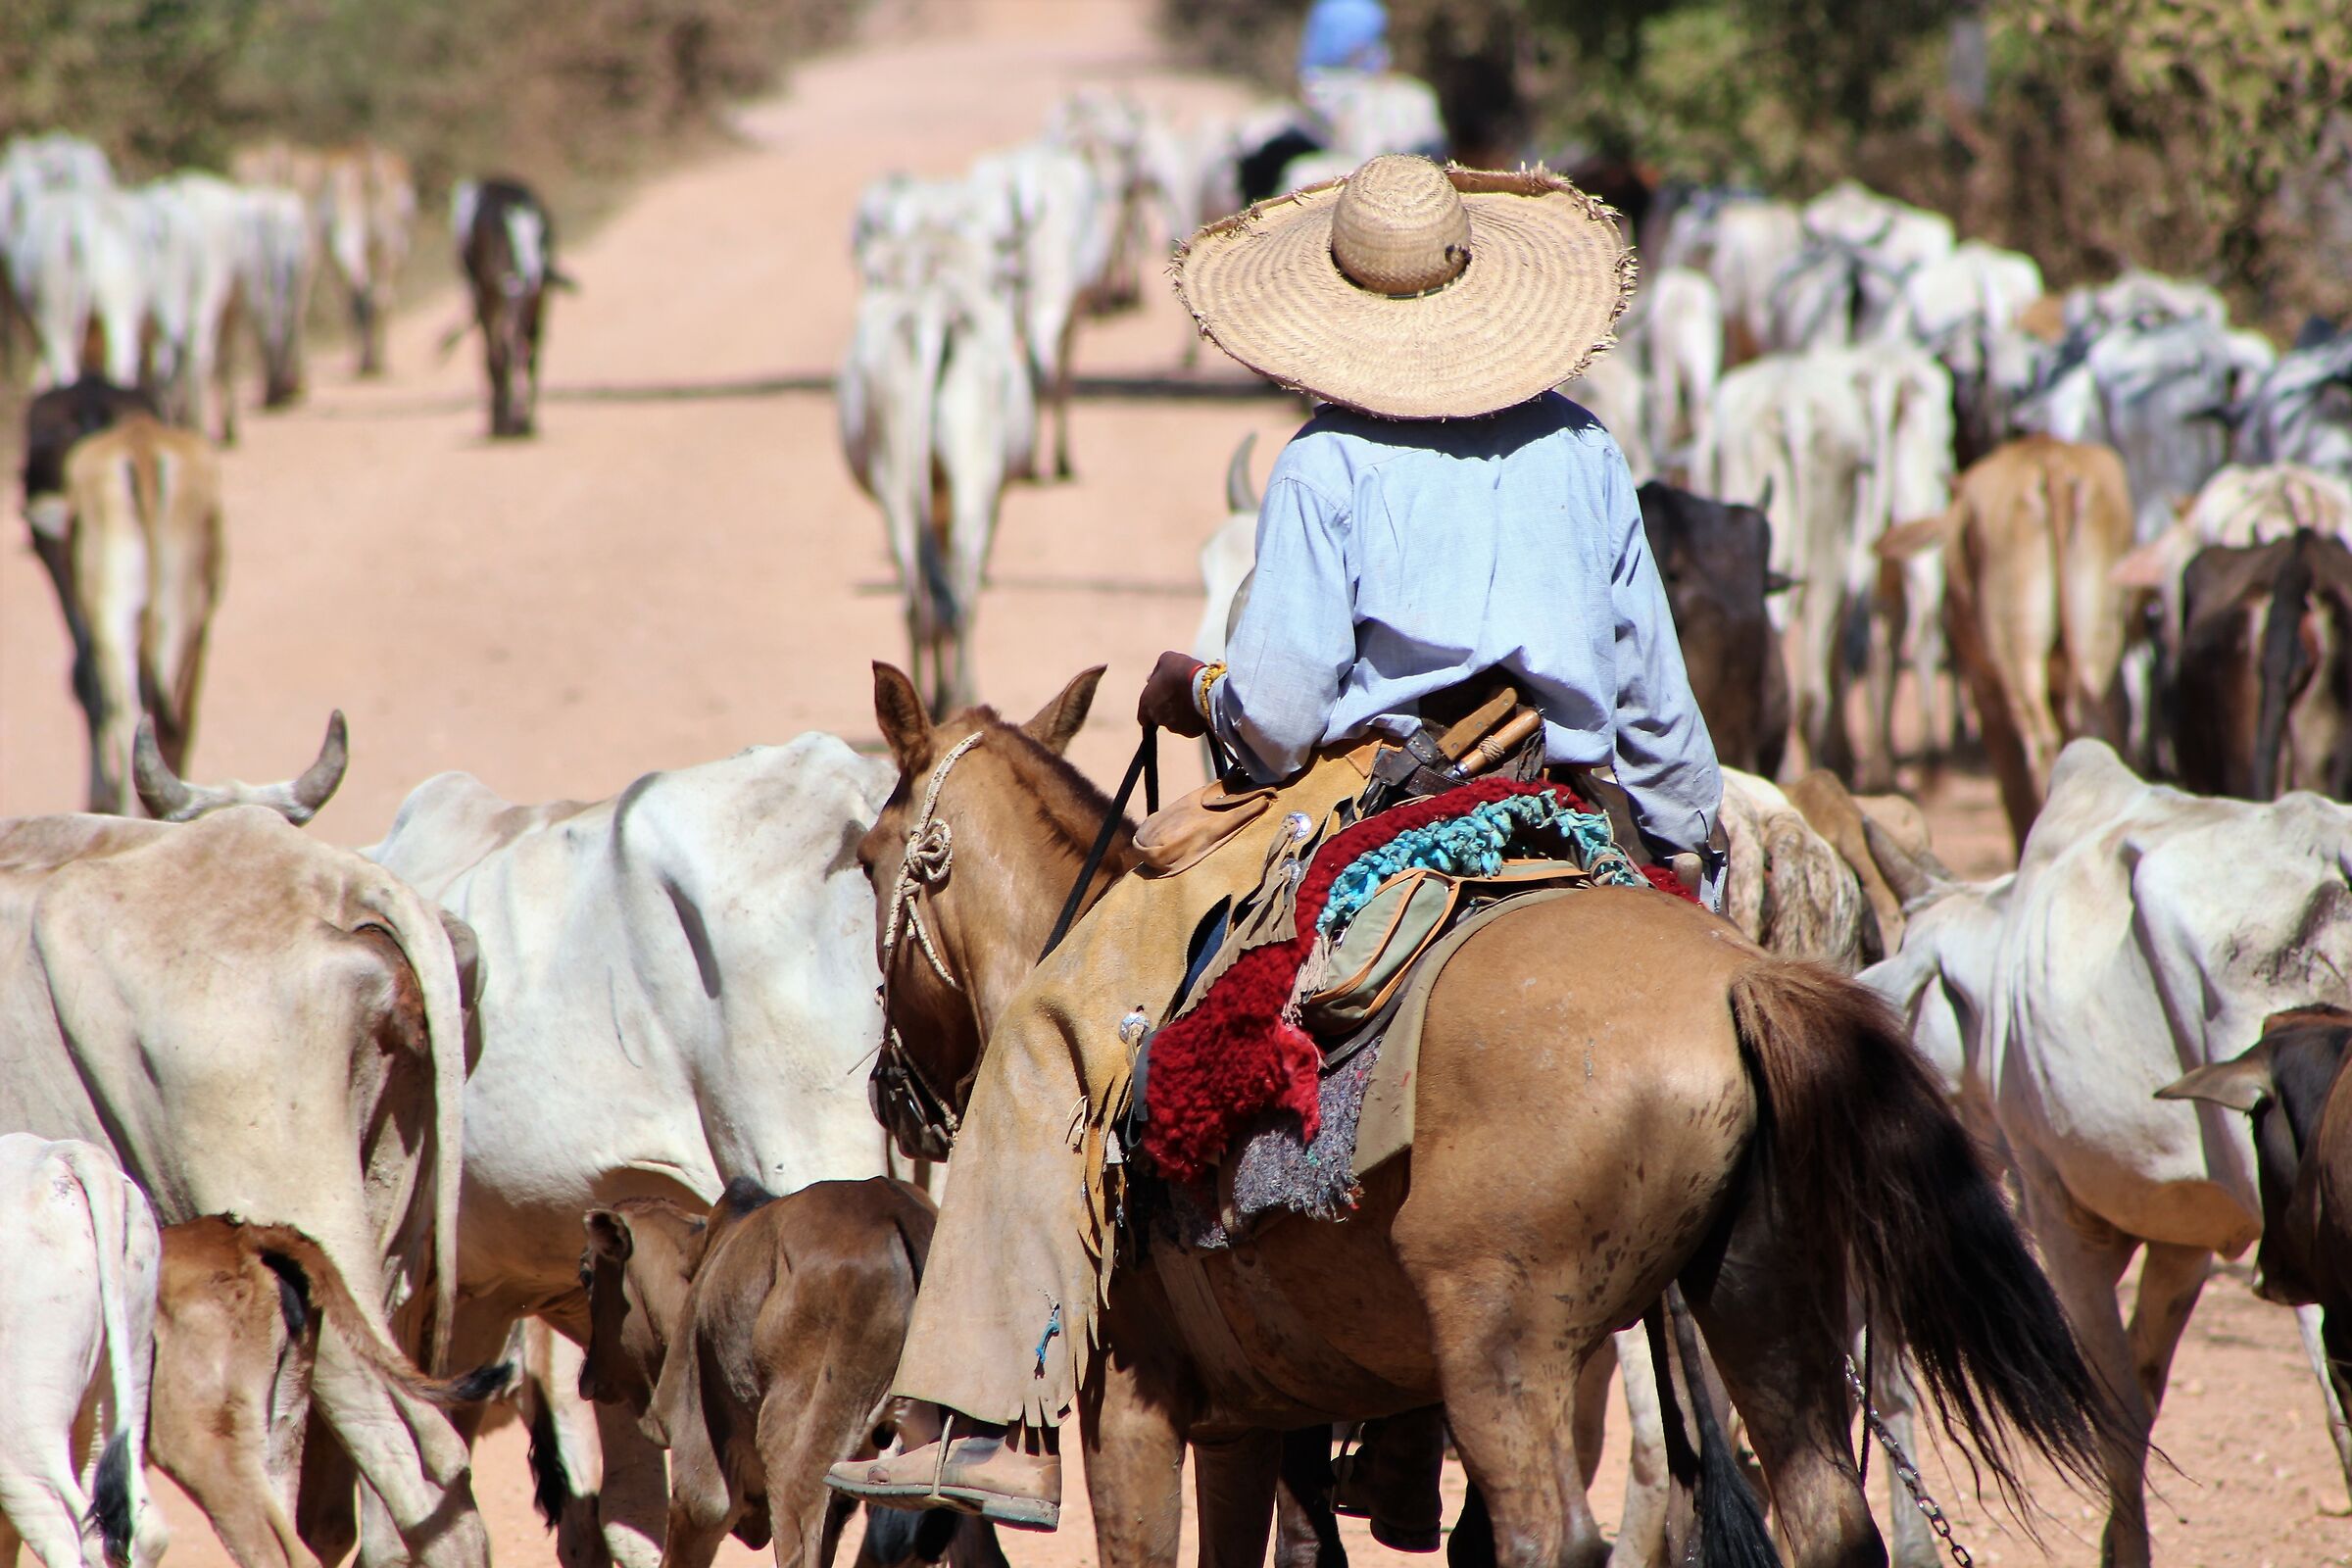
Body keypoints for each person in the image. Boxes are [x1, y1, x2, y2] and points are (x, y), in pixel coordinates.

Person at [827, 153, 1724, 1528]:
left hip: (1381, 798)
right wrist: (1682, 860)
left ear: (1345, 310)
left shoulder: (1328, 463)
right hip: (1563, 798)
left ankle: (983, 1416)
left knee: (1054, 1027)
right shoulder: (1585, 449)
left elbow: (1283, 718)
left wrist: (1199, 694)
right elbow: (1657, 706)